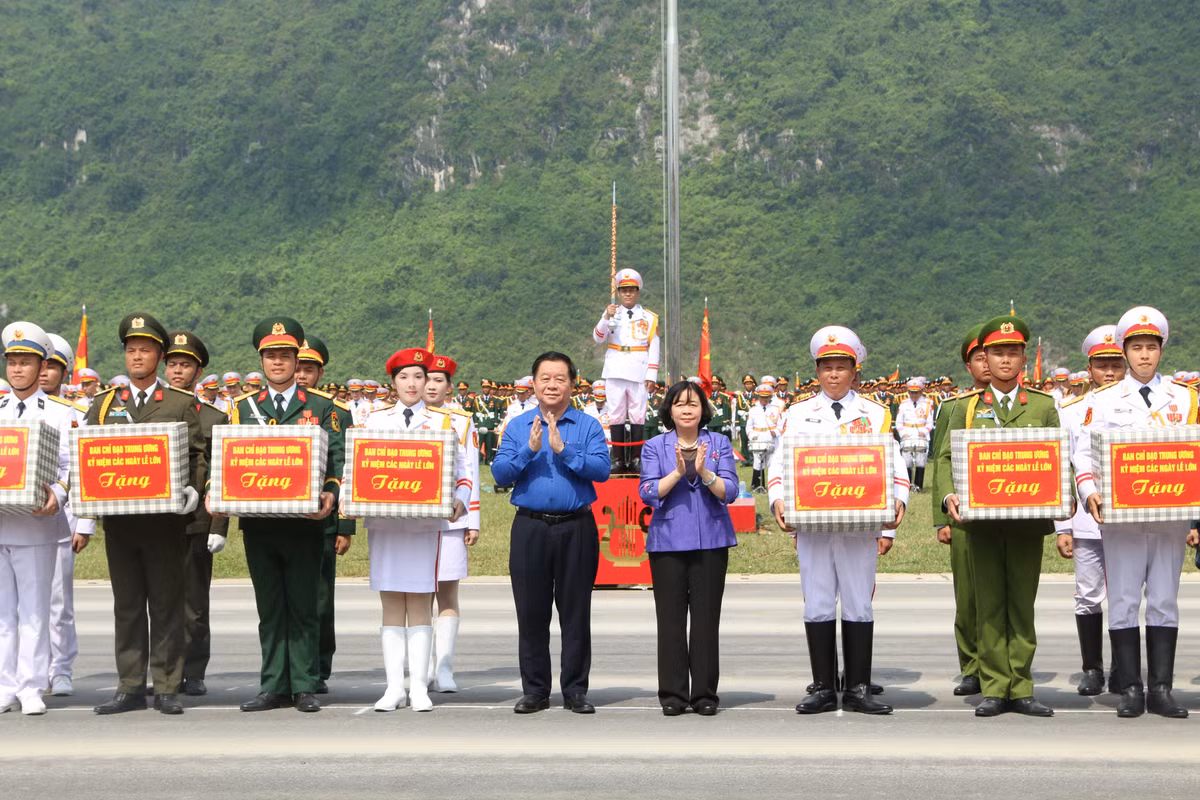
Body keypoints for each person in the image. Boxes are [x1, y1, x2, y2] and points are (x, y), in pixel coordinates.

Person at [768, 326, 908, 715]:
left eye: (841, 367)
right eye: (826, 367)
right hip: (813, 527)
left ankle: (859, 687)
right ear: (817, 371)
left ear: (854, 371)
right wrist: (778, 500)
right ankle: (825, 687)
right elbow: (778, 463)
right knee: (817, 600)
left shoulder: (876, 413)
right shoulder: (797, 414)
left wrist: (897, 507)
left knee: (859, 601)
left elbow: (894, 465)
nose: (833, 374)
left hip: (859, 526)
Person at [1073, 306, 1196, 718]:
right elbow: (1083, 453)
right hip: (1119, 519)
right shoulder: (1104, 400)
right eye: (1136, 347)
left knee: (1164, 599)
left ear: (1162, 350)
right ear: (1124, 352)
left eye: (1151, 347)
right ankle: (1131, 688)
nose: (1144, 355)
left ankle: (1161, 689)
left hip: (1170, 518)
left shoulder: (1186, 399)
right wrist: (1089, 491)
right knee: (1124, 599)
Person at [933, 314, 1058, 718]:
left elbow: (1059, 456)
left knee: (1022, 603)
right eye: (997, 353)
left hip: (1026, 522)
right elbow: (946, 459)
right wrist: (948, 497)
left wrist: (1065, 497)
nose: (1005, 360)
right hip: (980, 523)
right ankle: (994, 686)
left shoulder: (1042, 405)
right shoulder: (967, 408)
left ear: (1023, 357)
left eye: (1013, 352)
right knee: (987, 605)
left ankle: (1020, 686)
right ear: (984, 357)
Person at [224, 317, 343, 714]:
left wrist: (331, 492)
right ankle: (273, 684)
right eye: (271, 356)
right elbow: (227, 461)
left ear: (297, 360)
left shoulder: (324, 408)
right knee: (270, 606)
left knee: (306, 604)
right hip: (259, 523)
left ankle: (307, 683)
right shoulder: (242, 409)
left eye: (285, 356)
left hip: (306, 523)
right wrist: (214, 494)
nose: (278, 362)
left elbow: (339, 459)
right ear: (261, 361)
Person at [87, 313, 205, 716]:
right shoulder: (104, 405)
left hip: (165, 523)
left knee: (167, 602)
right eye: (131, 350)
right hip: (120, 522)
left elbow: (197, 455)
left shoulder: (178, 402)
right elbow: (89, 457)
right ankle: (130, 684)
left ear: (159, 356)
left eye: (146, 350)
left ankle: (168, 684)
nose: (137, 357)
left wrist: (193, 489)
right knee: (128, 604)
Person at [492, 352, 610, 714]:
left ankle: (575, 689)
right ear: (534, 383)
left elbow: (602, 470)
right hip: (530, 527)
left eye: (560, 378)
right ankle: (535, 690)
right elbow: (499, 474)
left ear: (572, 384)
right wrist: (529, 450)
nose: (552, 385)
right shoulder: (517, 426)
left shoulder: (587, 425)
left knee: (576, 611)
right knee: (531, 612)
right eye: (545, 378)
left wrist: (564, 450)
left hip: (576, 526)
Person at [359, 348, 468, 712]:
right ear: (393, 382)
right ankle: (394, 687)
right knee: (391, 604)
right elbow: (356, 466)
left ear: (428, 382)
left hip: (425, 527)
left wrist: (460, 500)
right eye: (404, 377)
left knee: (421, 603)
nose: (412, 384)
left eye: (419, 377)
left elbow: (464, 472)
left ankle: (419, 686)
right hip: (386, 526)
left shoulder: (442, 422)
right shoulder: (374, 419)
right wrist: (347, 497)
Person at [638, 380, 738, 716]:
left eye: (693, 403)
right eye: (679, 403)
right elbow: (648, 491)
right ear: (669, 409)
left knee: (706, 621)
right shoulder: (655, 446)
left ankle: (705, 695)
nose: (686, 409)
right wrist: (679, 473)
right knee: (670, 621)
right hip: (667, 542)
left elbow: (731, 491)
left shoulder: (719, 443)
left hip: (711, 540)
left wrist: (704, 472)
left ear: (703, 410)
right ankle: (673, 695)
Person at [0, 323, 76, 716]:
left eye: (25, 362)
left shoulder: (61, 414)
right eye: (12, 361)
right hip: (0, 526)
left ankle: (31, 686)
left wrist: (58, 494)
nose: (17, 369)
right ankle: (4, 684)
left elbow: (70, 467)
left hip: (37, 524)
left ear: (41, 365)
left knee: (33, 611)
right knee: (2, 613)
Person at [1053, 325, 1125, 697]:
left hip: (1127, 518)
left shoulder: (1135, 407)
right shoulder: (1071, 410)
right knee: (1087, 594)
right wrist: (1063, 525)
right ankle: (1092, 669)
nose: (1109, 372)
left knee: (1125, 596)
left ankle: (1123, 669)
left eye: (1116, 363)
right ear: (1090, 367)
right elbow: (1061, 470)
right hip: (1084, 518)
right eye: (1102, 364)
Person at [162, 330, 231, 698]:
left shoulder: (214, 416)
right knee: (159, 600)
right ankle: (163, 669)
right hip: (157, 520)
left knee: (194, 603)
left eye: (185, 365)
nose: (177, 371)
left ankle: (194, 669)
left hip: (198, 521)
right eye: (172, 363)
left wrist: (220, 523)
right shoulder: (149, 412)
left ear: (198, 371)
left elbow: (223, 472)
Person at [928, 324, 989, 697]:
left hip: (1008, 512)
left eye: (992, 356)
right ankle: (971, 666)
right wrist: (940, 518)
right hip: (964, 514)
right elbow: (941, 463)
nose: (986, 364)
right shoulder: (954, 408)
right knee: (966, 595)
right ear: (969, 365)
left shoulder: (1024, 404)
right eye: (978, 358)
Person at [295, 336, 356, 695]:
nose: (302, 374)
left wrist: (345, 525)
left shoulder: (335, 411)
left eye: (308, 368)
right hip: (284, 516)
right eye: (297, 367)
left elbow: (346, 470)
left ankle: (318, 666)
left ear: (321, 371)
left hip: (324, 517)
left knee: (319, 597)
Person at [423, 354, 481, 693]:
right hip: (413, 523)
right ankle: (421, 666)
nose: (430, 385)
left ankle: (444, 666)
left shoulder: (461, 421)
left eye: (438, 380)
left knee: (447, 593)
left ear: (449, 386)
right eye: (425, 378)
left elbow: (469, 470)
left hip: (451, 521)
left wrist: (472, 521)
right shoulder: (404, 418)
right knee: (416, 594)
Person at [37, 333, 88, 698]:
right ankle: (33, 668)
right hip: (20, 516)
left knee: (59, 600)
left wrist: (84, 523)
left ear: (63, 372)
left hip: (63, 516)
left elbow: (83, 470)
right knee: (25, 601)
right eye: (43, 365)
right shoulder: (10, 408)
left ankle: (62, 668)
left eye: (53, 366)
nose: (44, 373)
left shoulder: (75, 415)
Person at [592, 268, 660, 472]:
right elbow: (598, 338)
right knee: (616, 414)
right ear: (619, 293)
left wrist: (652, 374)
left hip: (639, 368)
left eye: (631, 289)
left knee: (638, 414)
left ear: (638, 292)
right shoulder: (612, 313)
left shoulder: (648, 317)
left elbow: (654, 345)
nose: (628, 293)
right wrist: (605, 317)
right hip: (615, 367)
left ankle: (637, 459)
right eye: (623, 290)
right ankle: (619, 460)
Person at [894, 377, 934, 491]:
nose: (914, 395)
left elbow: (930, 422)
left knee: (921, 461)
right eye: (911, 392)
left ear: (921, 391)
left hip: (921, 434)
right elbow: (898, 422)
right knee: (907, 461)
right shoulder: (904, 403)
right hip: (907, 434)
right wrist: (903, 434)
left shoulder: (927, 403)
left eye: (916, 392)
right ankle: (907, 485)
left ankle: (918, 485)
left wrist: (925, 431)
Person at [745, 384, 779, 493]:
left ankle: (773, 485)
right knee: (758, 462)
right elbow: (749, 427)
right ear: (758, 397)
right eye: (762, 397)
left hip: (771, 437)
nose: (764, 400)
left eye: (766, 397)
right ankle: (757, 485)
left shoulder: (775, 410)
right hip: (758, 437)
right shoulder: (753, 410)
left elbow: (781, 425)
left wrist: (776, 432)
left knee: (771, 462)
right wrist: (752, 435)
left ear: (770, 397)